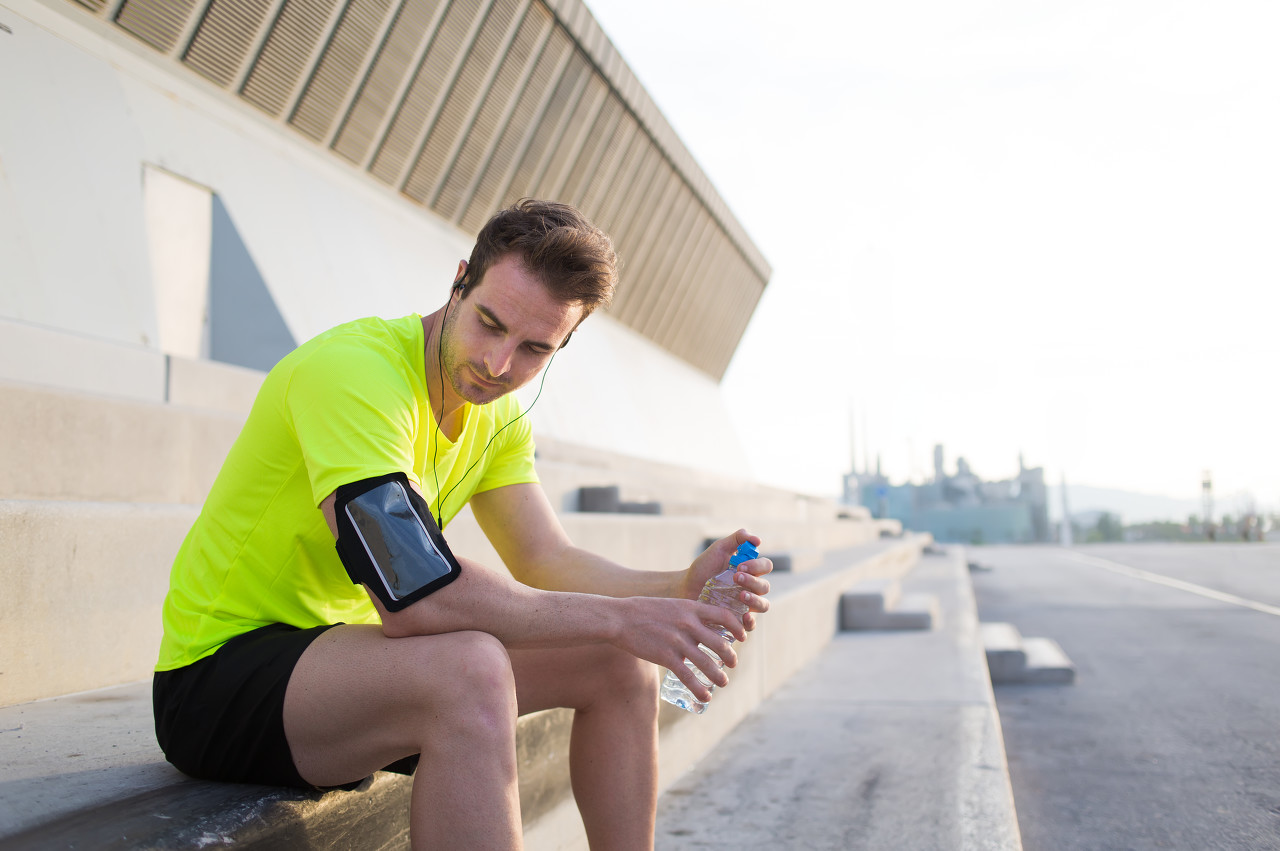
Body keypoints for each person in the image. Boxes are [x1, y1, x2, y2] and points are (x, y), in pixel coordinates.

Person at [152, 199, 773, 849]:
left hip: (350, 663)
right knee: (470, 666)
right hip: (217, 679)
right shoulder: (356, 375)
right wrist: (620, 614)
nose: (499, 364)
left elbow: (545, 558)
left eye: (535, 348)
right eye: (489, 323)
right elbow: (414, 593)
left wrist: (674, 588)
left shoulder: (498, 415)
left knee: (617, 662)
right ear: (459, 281)